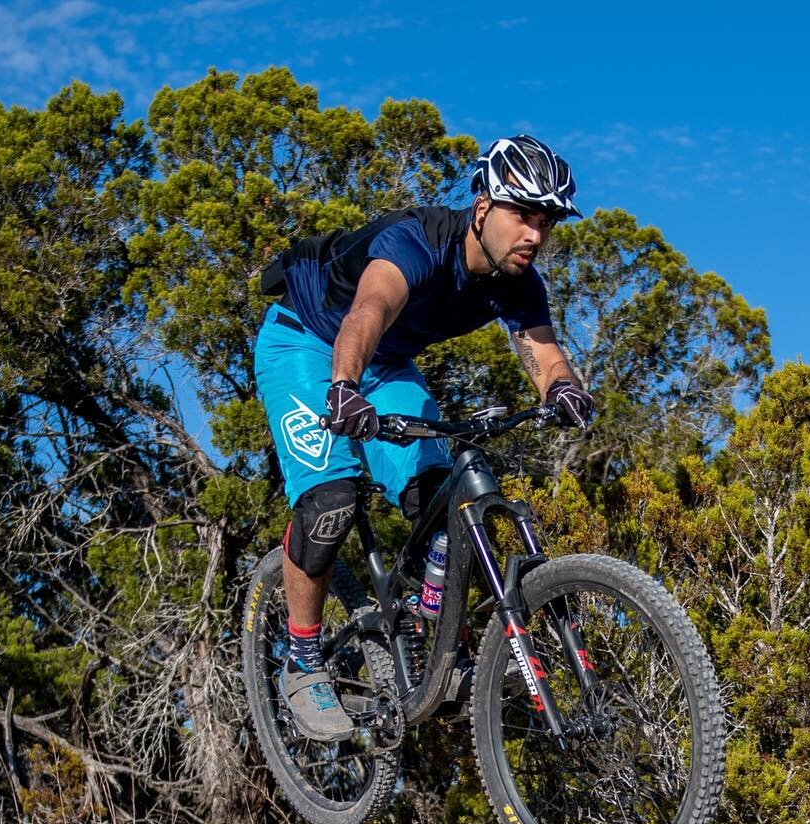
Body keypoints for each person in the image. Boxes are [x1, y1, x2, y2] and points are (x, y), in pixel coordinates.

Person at [254, 134, 595, 740]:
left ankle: (430, 629)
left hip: (385, 362)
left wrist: (563, 388)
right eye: (524, 215)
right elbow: (369, 311)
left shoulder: (518, 282)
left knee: (442, 493)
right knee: (331, 499)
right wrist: (343, 386)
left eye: (546, 222)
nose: (535, 236)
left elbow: (543, 353)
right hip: (308, 342)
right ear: (484, 206)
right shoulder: (415, 242)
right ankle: (301, 661)